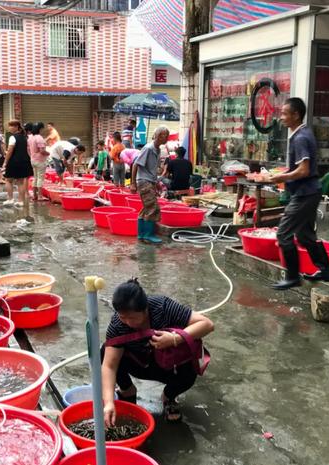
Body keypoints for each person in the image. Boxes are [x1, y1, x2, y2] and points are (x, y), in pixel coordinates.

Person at [102, 278, 214, 424]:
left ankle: (168, 397)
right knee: (104, 352)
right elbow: (109, 366)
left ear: (145, 309)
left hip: (169, 364)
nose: (128, 322)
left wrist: (174, 338)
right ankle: (127, 390)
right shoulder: (117, 325)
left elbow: (207, 324)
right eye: (123, 317)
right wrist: (109, 402)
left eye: (133, 318)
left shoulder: (162, 307)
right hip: (140, 364)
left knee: (189, 373)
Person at [268, 97, 329, 290]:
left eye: (285, 114)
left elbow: (303, 170)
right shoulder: (300, 134)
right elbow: (298, 168)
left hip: (306, 193)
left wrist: (281, 178)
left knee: (283, 234)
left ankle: (292, 276)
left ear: (296, 115)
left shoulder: (301, 137)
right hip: (307, 192)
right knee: (305, 236)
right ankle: (325, 270)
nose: (281, 118)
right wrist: (282, 174)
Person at [131, 126, 169, 244]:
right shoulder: (148, 148)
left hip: (150, 181)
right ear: (158, 136)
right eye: (164, 135)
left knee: (146, 207)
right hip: (143, 181)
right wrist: (133, 183)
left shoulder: (157, 150)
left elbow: (153, 169)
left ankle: (141, 234)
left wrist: (156, 182)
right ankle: (148, 235)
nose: (166, 138)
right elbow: (135, 165)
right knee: (153, 208)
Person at [3, 120, 33, 210]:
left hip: (14, 161)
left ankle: (10, 199)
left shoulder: (13, 137)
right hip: (24, 161)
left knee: (8, 180)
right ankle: (21, 201)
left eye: (11, 126)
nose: (10, 128)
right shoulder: (24, 137)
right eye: (9, 126)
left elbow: (10, 151)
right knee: (20, 181)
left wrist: (5, 162)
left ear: (17, 127)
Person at [28, 122, 48, 201]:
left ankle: (34, 195)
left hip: (33, 160)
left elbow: (28, 150)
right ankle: (40, 196)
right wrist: (48, 153)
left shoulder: (30, 137)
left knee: (35, 177)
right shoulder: (39, 138)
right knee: (40, 178)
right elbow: (42, 151)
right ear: (40, 129)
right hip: (40, 160)